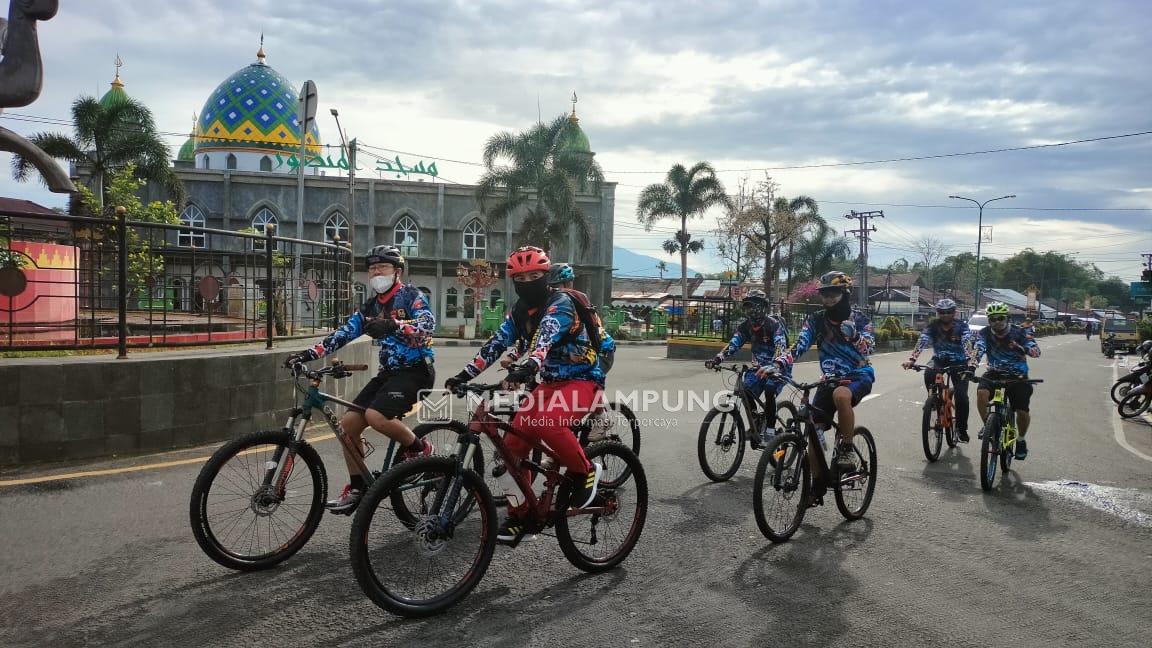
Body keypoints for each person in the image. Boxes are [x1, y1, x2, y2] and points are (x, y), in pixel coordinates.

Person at [445, 246, 604, 543]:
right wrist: (464, 375)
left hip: (584, 380)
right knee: (511, 449)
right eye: (520, 277)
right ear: (513, 280)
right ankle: (522, 515)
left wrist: (529, 366)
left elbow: (545, 337)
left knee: (549, 423)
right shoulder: (518, 311)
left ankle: (585, 470)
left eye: (534, 275)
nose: (528, 281)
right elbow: (495, 345)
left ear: (546, 276)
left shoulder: (561, 304)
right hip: (550, 384)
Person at [284, 245, 436, 513]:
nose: (376, 272)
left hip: (416, 371)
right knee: (347, 427)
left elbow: (427, 325)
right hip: (388, 374)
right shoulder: (370, 306)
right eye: (372, 268)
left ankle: (421, 448)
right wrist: (307, 354)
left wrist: (395, 325)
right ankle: (358, 487)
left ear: (397, 271)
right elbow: (342, 334)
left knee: (377, 417)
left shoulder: (412, 296)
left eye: (382, 267)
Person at [775, 271, 875, 472]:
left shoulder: (860, 319)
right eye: (824, 294)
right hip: (828, 379)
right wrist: (779, 363)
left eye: (833, 294)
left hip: (858, 374)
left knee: (840, 395)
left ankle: (847, 449)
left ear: (845, 294)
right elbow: (800, 344)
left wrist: (855, 336)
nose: (828, 299)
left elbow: (870, 348)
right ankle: (816, 488)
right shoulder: (816, 320)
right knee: (814, 431)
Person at [706, 289, 790, 446]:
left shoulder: (774, 325)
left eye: (753, 306)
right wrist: (718, 358)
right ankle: (756, 421)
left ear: (763, 307)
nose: (750, 310)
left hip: (779, 367)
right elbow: (734, 343)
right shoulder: (745, 326)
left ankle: (770, 430)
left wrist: (775, 364)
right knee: (745, 389)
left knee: (770, 390)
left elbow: (780, 345)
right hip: (757, 368)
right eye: (747, 306)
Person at [970, 301, 1041, 460]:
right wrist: (971, 366)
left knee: (1022, 411)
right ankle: (988, 426)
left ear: (1007, 318)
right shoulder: (985, 333)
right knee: (981, 393)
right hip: (994, 372)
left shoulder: (1020, 333)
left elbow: (1036, 352)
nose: (997, 322)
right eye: (993, 319)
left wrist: (1022, 348)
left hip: (1017, 376)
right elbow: (978, 348)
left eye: (1000, 318)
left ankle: (1021, 440)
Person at [902, 298, 975, 442]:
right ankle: (933, 400)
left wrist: (969, 361)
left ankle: (961, 429)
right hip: (939, 359)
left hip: (959, 362)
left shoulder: (962, 327)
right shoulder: (933, 326)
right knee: (928, 372)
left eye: (949, 312)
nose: (945, 315)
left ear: (954, 313)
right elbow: (922, 340)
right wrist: (912, 360)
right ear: (938, 313)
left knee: (961, 397)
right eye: (942, 312)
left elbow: (967, 343)